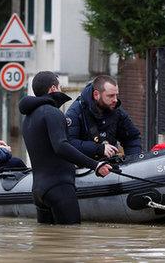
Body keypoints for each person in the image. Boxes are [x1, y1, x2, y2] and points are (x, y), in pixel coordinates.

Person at [19, 71, 111, 224]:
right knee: (71, 239)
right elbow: (61, 146)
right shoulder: (52, 112)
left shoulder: (28, 118)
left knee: (47, 242)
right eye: (60, 87)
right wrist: (95, 165)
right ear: (53, 89)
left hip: (39, 191)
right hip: (59, 187)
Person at [66, 75, 142, 161]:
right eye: (111, 96)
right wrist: (99, 149)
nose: (115, 100)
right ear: (96, 95)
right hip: (84, 167)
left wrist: (133, 162)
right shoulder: (76, 112)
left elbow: (132, 138)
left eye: (116, 95)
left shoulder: (115, 109)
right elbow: (69, 143)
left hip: (110, 165)